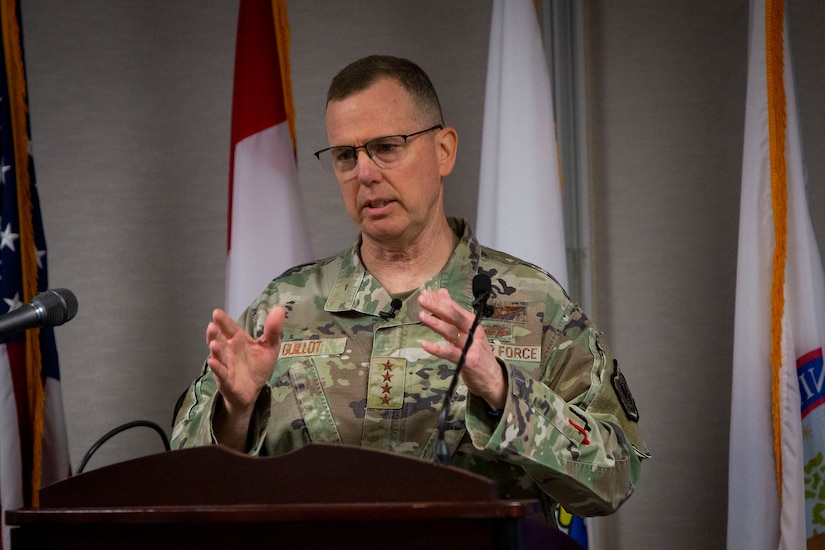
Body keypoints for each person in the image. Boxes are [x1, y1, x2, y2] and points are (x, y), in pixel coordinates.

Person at [171, 55, 649, 522]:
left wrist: (505, 392)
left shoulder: (531, 304)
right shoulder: (283, 307)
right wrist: (234, 413)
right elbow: (183, 484)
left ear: (444, 150)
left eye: (386, 147)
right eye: (345, 156)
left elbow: (615, 474)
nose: (364, 173)